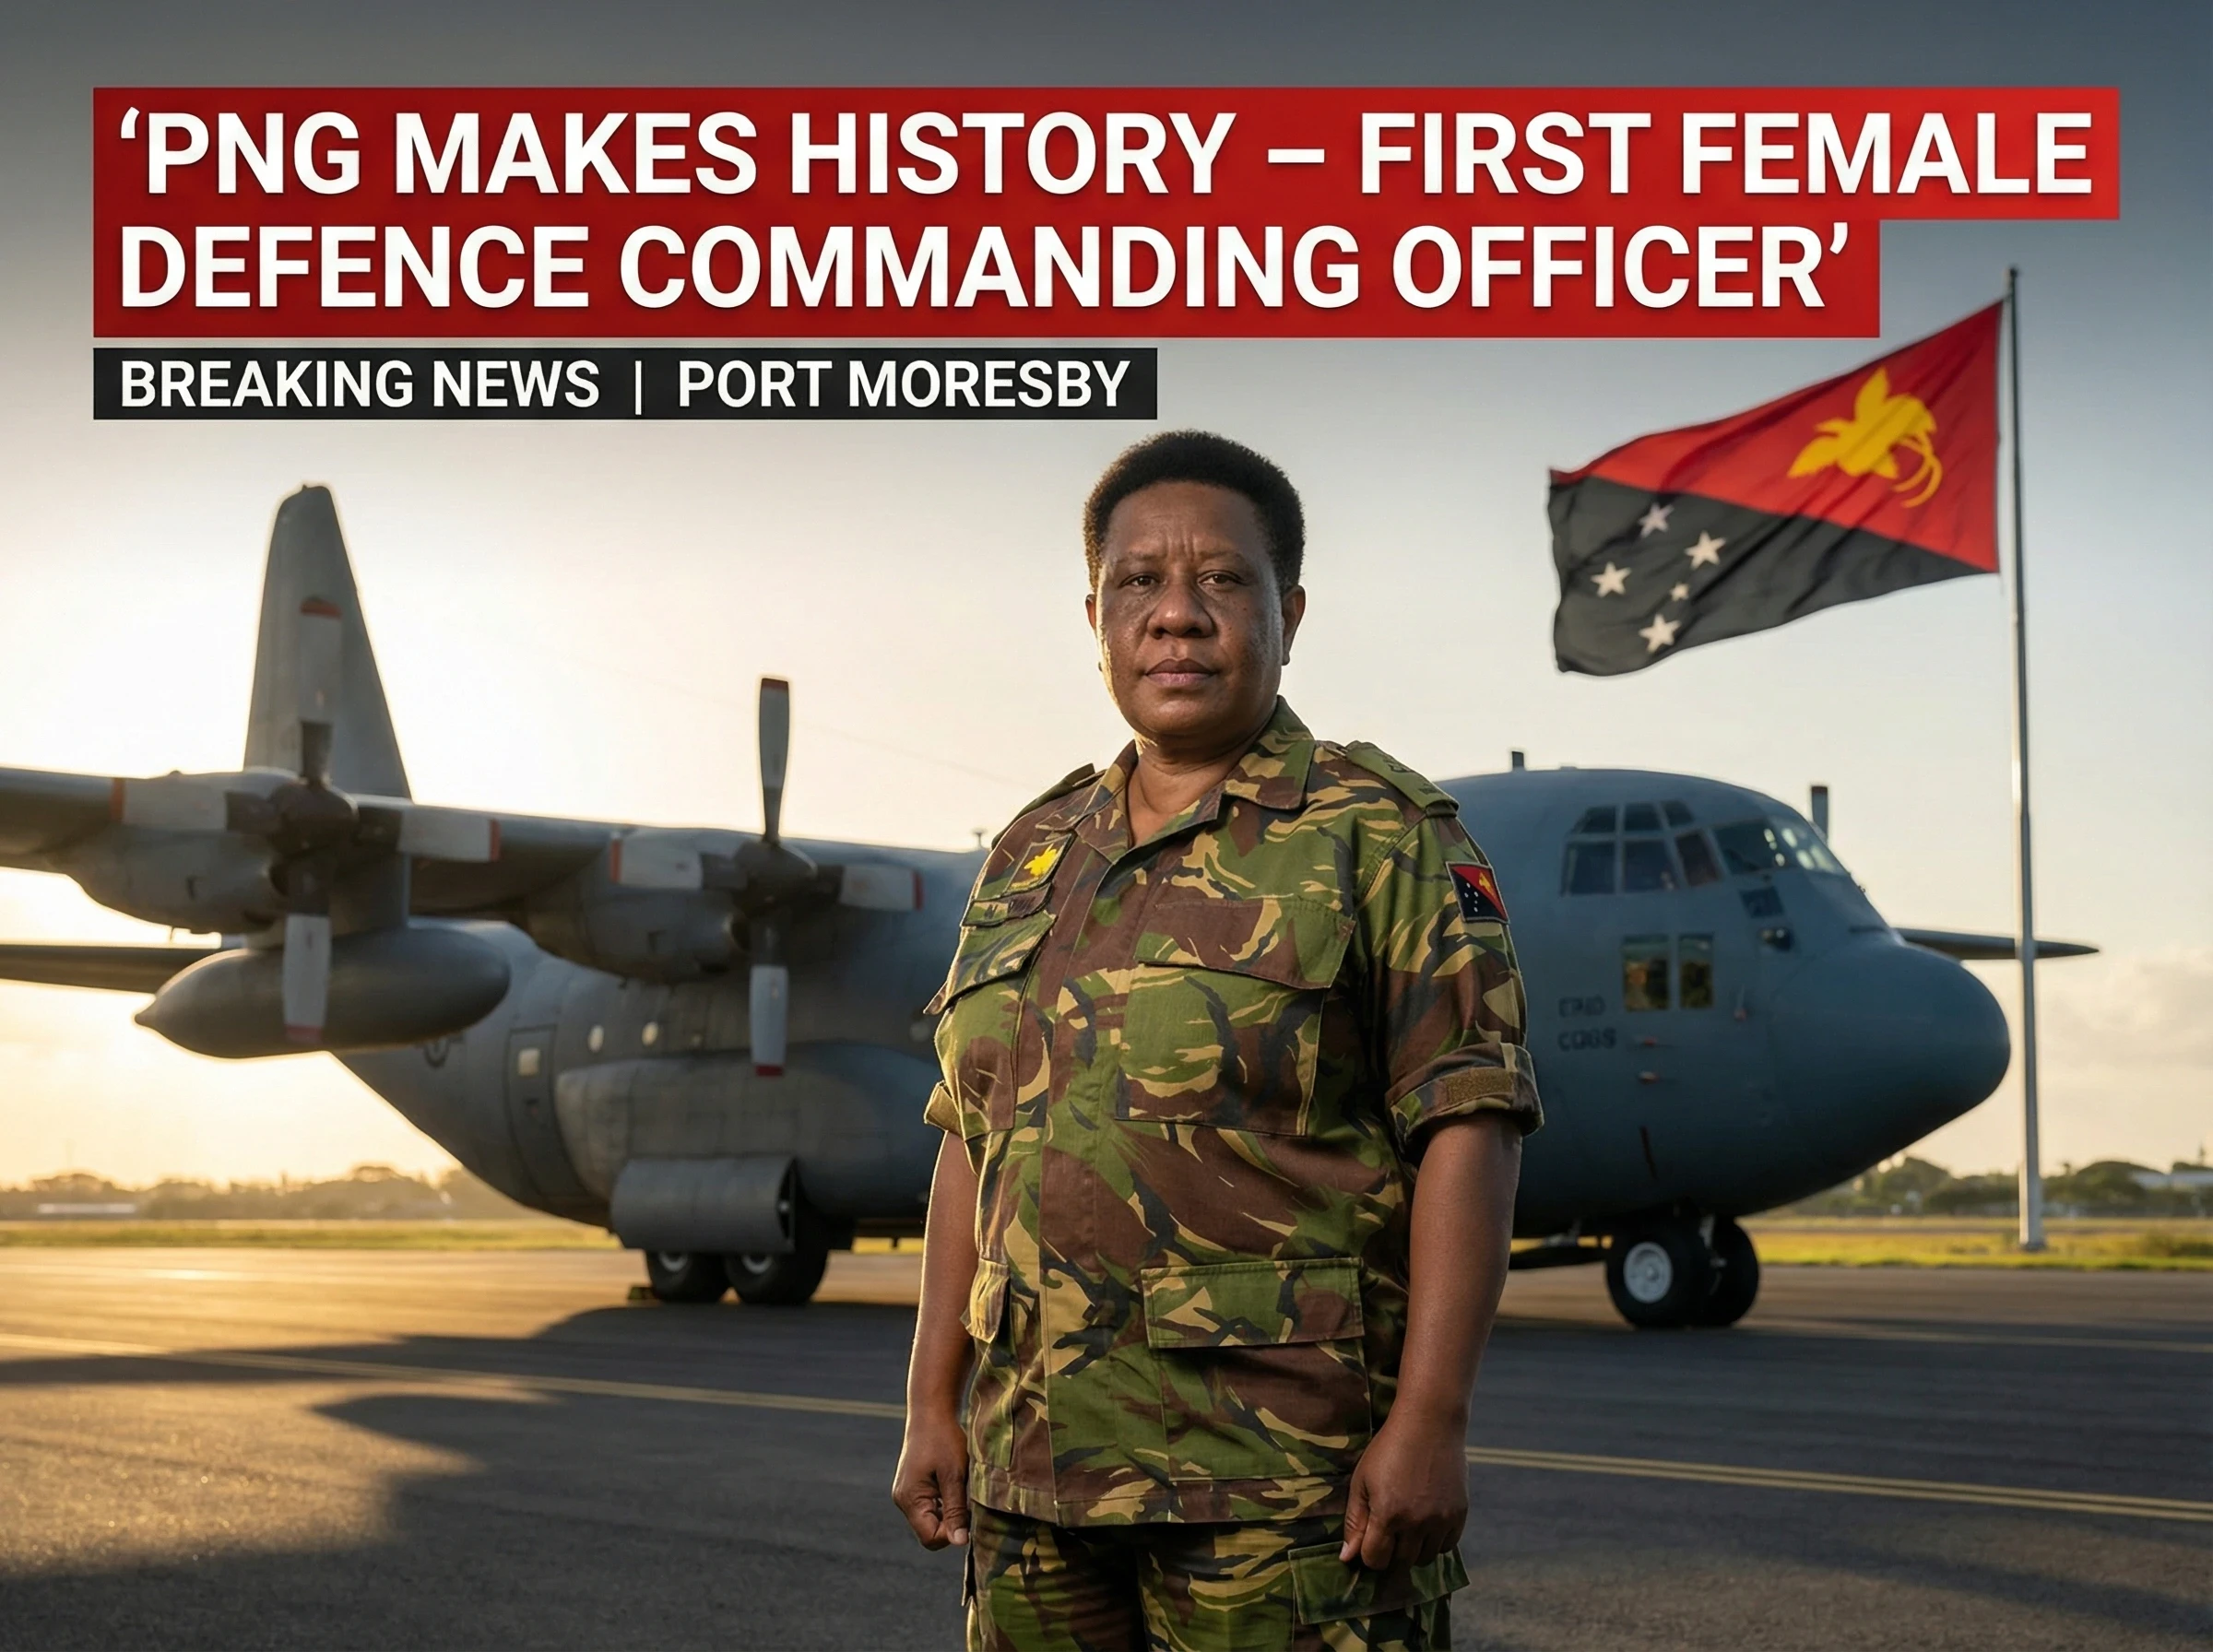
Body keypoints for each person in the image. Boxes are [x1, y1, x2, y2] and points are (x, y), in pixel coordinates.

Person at [892, 431, 1542, 1650]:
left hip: (1280, 1488)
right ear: (1096, 618)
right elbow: (972, 1144)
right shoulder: (1031, 855)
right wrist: (934, 1399)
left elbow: (1470, 1124)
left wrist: (1432, 1420)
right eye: (1138, 581)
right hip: (1034, 1484)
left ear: (1288, 611)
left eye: (1222, 579)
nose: (1177, 614)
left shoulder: (1380, 836)